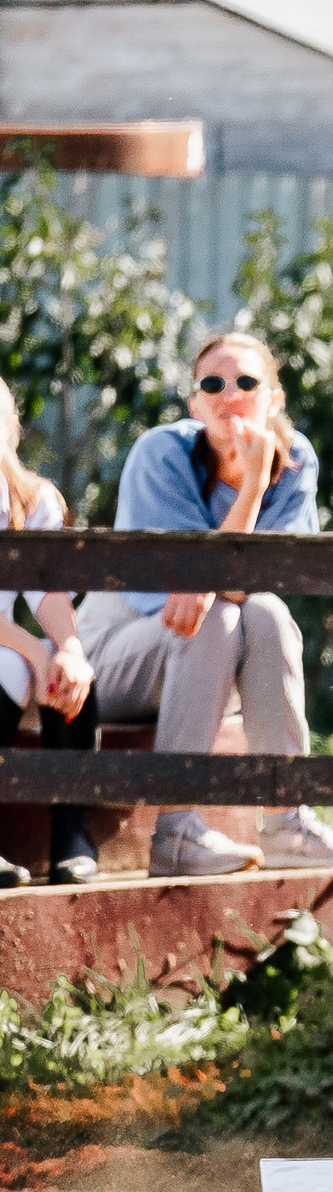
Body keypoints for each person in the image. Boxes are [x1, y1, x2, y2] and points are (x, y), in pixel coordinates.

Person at [76, 334, 333, 878]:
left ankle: (287, 823)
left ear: (274, 399)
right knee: (219, 613)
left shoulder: (297, 458)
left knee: (267, 614)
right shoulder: (160, 455)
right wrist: (252, 487)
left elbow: (259, 582)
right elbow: (188, 603)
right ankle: (177, 833)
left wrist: (257, 482)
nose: (228, 395)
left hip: (207, 661)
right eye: (212, 384)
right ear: (194, 403)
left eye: (246, 383)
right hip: (110, 663)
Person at [0, 377, 101, 888]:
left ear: (11, 429)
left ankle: (72, 836)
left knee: (67, 669)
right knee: (22, 661)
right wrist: (34, 653)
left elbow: (47, 593)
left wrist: (69, 650)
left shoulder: (31, 501)